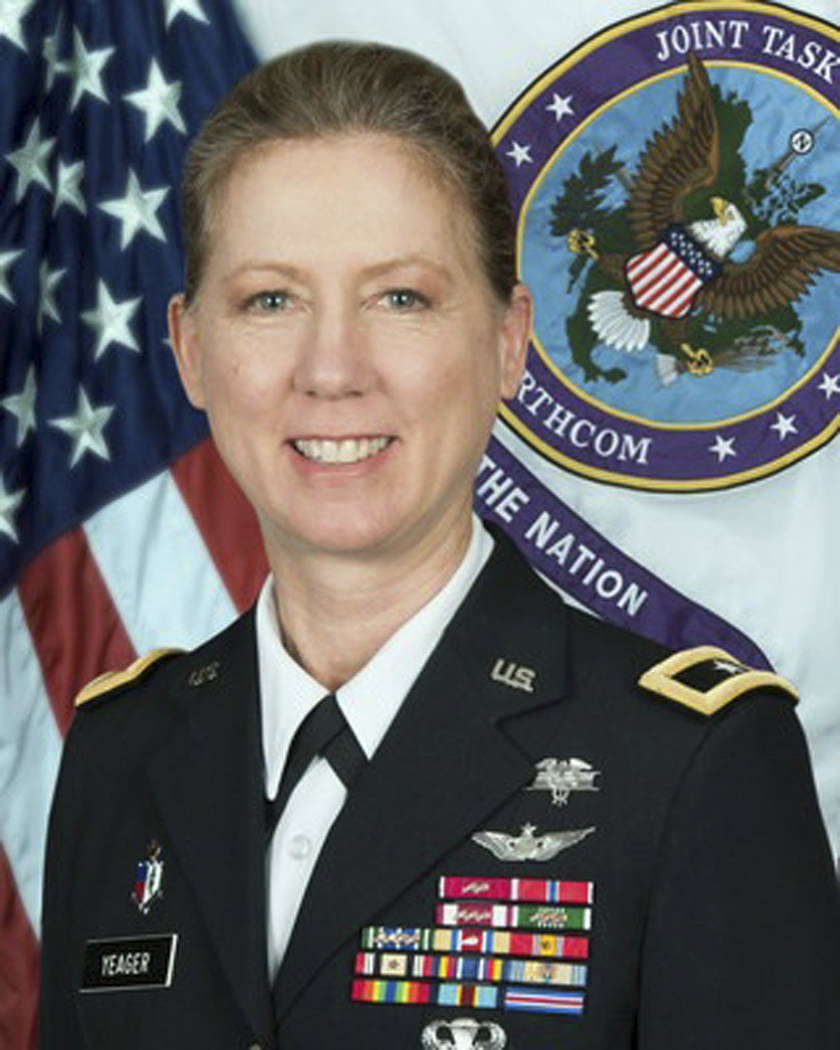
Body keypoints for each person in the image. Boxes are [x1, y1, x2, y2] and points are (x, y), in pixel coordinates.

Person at [39, 40, 840, 1050]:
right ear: (191, 351)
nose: (332, 370)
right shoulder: (119, 755)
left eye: (401, 298)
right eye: (270, 300)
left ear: (508, 342)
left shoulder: (694, 768)